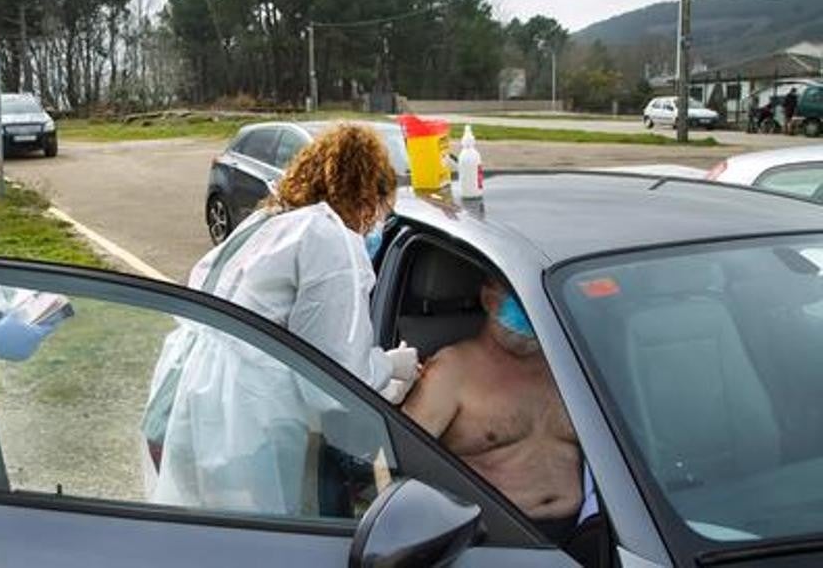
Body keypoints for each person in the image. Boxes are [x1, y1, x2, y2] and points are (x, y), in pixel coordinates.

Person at [147, 124, 420, 516]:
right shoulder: (328, 238)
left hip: (182, 401)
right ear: (363, 195)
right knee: (262, 545)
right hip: (242, 423)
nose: (373, 223)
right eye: (374, 209)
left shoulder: (268, 223)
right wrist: (390, 365)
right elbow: (331, 378)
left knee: (201, 539)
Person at [401, 277, 582, 544]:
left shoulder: (567, 365)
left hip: (583, 531)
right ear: (489, 300)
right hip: (495, 539)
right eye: (519, 302)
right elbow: (402, 454)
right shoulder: (452, 370)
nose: (528, 315)